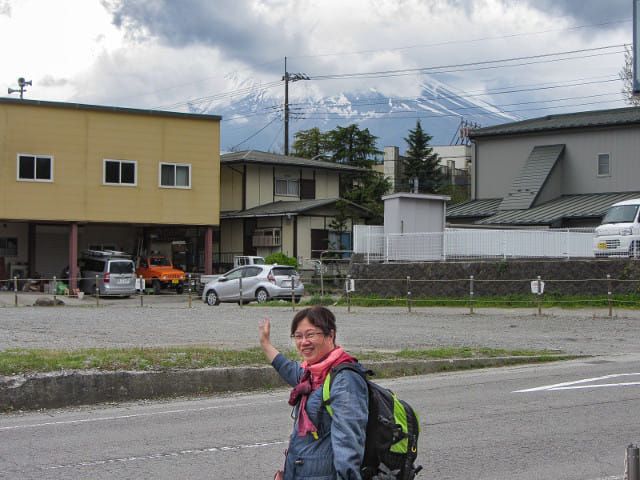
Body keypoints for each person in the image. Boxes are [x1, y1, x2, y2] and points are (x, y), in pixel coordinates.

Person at [259, 306, 369, 480]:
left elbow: (349, 444)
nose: (304, 342)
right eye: (298, 336)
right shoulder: (311, 374)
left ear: (330, 335)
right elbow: (287, 367)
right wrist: (265, 343)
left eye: (311, 334)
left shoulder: (345, 380)